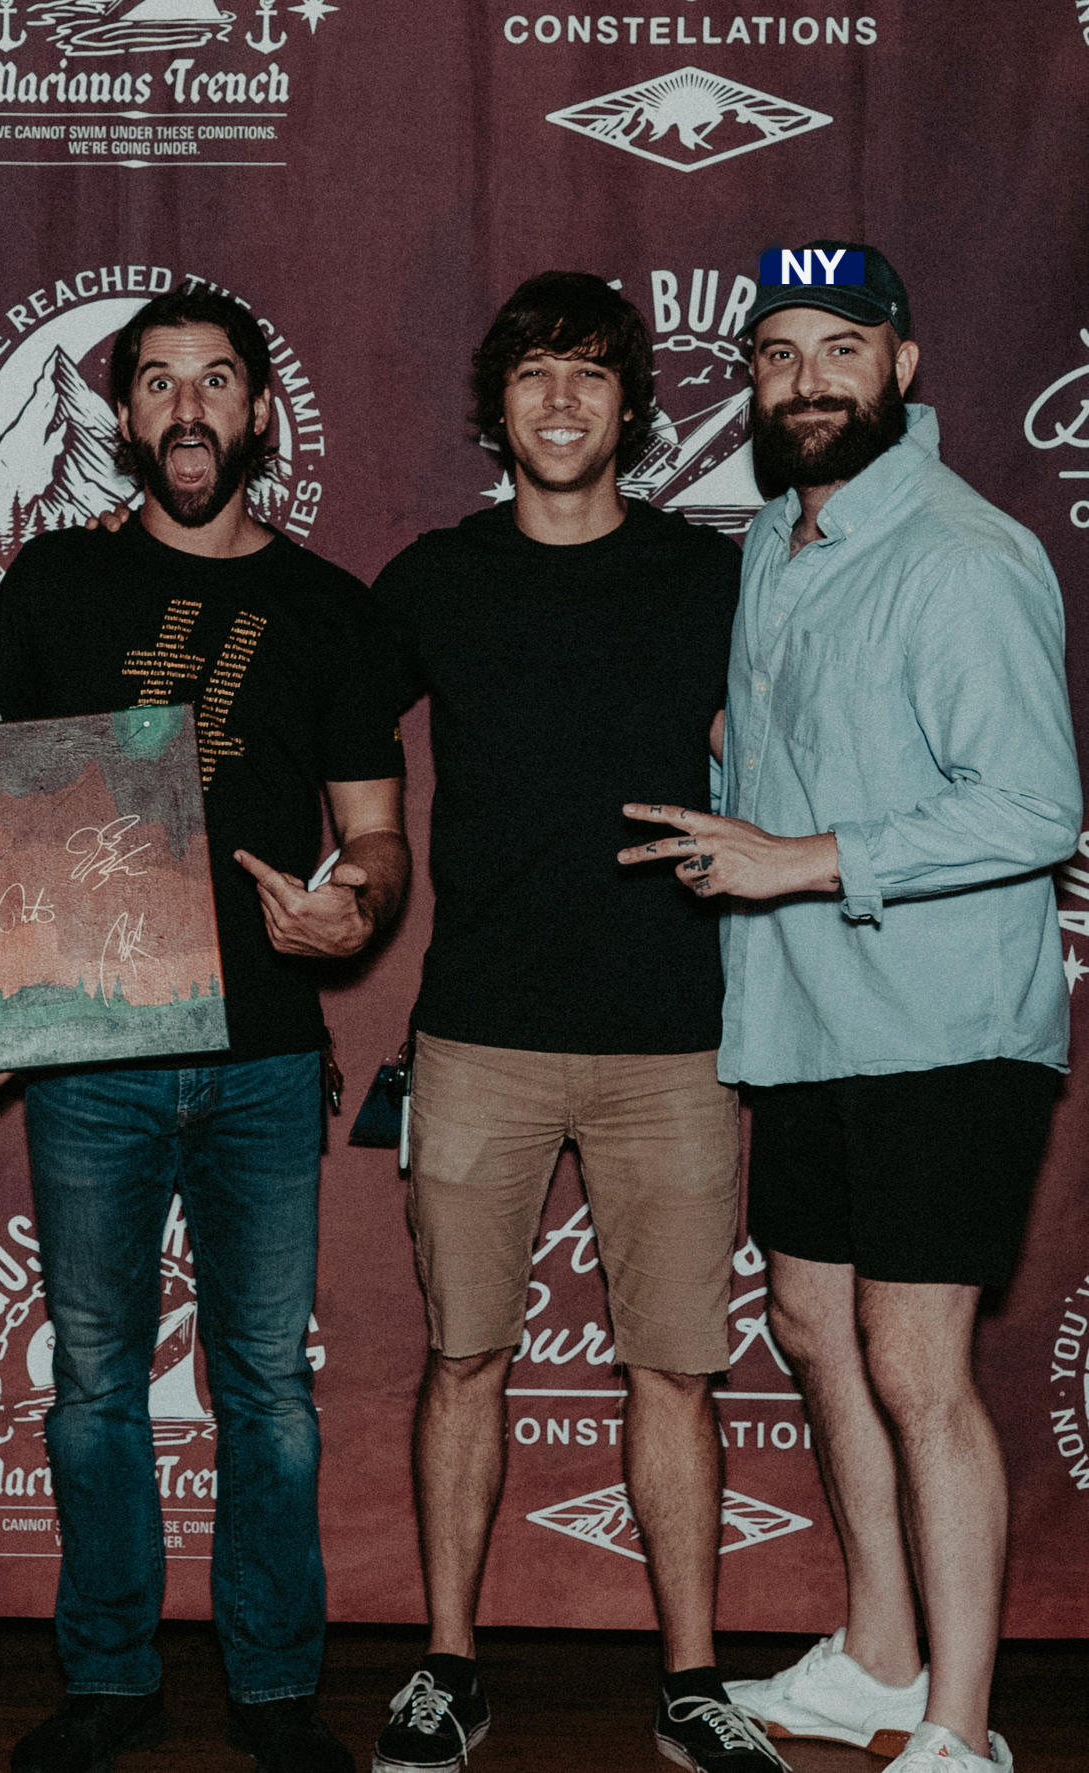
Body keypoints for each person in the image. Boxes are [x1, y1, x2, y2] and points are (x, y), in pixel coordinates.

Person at [622, 241, 1079, 1773]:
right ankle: (883, 1658)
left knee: (913, 1360)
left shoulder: (966, 553)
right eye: (773, 355)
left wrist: (799, 852)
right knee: (815, 1324)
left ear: (904, 363)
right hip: (809, 1021)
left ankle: (961, 1726)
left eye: (837, 348)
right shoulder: (773, 541)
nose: (804, 381)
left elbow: (1033, 804)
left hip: (947, 1026)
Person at [0, 286, 410, 1773]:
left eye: (215, 381)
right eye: (156, 381)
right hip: (89, 1060)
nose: (185, 408)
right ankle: (109, 1678)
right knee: (95, 1377)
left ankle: (277, 1684)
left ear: (259, 414)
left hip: (268, 1058)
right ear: (119, 418)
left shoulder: (332, 611)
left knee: (269, 1391)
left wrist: (349, 910)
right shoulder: (46, 590)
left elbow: (377, 838)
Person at [367, 273, 786, 1773]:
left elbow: (806, 725)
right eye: (536, 374)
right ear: (499, 407)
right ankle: (445, 1665)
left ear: (630, 406)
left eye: (592, 375)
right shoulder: (433, 578)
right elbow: (306, 701)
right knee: (463, 1356)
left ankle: (691, 1678)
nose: (561, 400)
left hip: (674, 1035)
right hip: (477, 1034)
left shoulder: (707, 575)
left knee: (675, 1367)